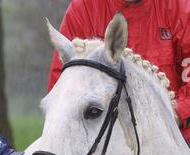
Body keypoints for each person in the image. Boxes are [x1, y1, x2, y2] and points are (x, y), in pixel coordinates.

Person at [48, 0, 190, 144]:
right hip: (100, 146)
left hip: (174, 140)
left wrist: (173, 117)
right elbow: (62, 86)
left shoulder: (180, 8)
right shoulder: (84, 8)